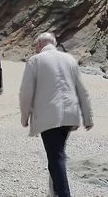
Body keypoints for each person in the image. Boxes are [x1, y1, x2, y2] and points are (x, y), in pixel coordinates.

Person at [19, 32, 93, 197]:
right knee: (58, 153)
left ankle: (63, 193)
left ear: (39, 45)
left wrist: (24, 117)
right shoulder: (70, 59)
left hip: (48, 116)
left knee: (55, 157)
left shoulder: (35, 60)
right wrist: (87, 117)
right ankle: (53, 192)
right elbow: (82, 91)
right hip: (70, 115)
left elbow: (25, 93)